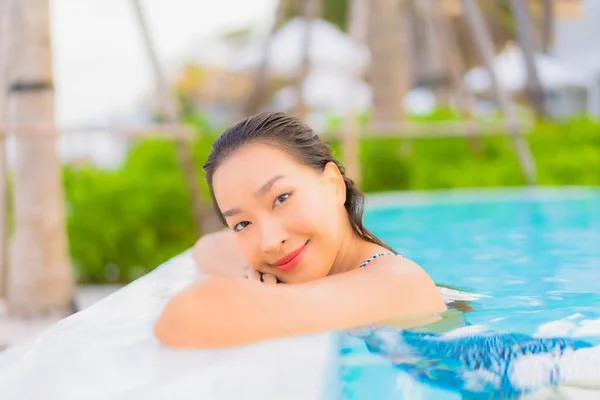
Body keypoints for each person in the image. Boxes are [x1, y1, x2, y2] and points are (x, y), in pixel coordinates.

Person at [154, 111, 447, 349]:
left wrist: (263, 296)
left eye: (281, 198)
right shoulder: (337, 272)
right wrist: (253, 274)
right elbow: (207, 248)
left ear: (332, 184)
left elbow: (186, 317)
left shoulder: (399, 283)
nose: (270, 241)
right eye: (242, 224)